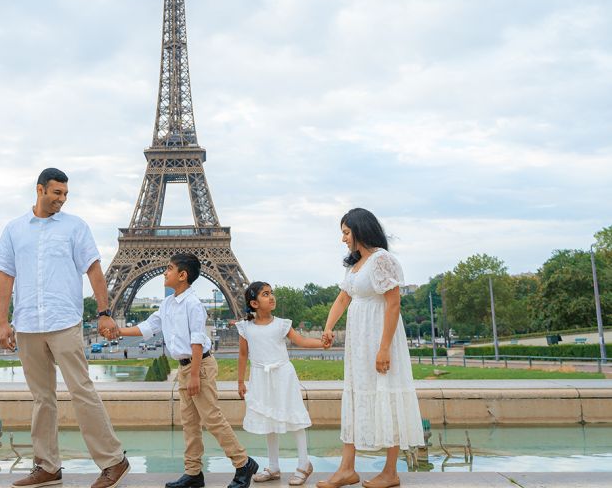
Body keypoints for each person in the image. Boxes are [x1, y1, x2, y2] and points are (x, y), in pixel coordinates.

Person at [0, 168, 130, 488]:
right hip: (28, 323)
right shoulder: (13, 230)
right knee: (42, 398)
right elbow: (5, 278)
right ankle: (47, 465)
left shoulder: (75, 226)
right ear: (40, 190)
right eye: (57, 193)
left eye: (66, 194)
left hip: (64, 320)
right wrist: (2, 322)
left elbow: (94, 270)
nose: (62, 199)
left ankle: (113, 459)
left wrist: (104, 312)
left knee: (82, 391)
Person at [113, 253, 259, 488]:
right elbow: (149, 327)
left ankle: (243, 463)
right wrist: (118, 332)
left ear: (183, 275)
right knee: (189, 422)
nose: (164, 272)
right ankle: (193, 472)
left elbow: (198, 340)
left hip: (198, 366)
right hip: (185, 368)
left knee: (211, 418)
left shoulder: (193, 304)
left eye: (169, 269)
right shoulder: (168, 303)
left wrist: (194, 375)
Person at [317, 209, 424, 488]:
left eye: (346, 232)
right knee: (355, 394)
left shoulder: (381, 260)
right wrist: (328, 327)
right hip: (359, 341)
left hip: (379, 336)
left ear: (360, 231)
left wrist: (384, 348)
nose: (343, 239)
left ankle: (390, 472)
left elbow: (393, 304)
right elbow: (343, 298)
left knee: (386, 394)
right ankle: (346, 469)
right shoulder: (355, 264)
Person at [236, 281, 326, 486]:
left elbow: (301, 341)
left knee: (295, 417)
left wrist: (323, 344)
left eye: (271, 293)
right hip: (260, 377)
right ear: (254, 303)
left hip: (283, 375)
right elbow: (242, 355)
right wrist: (240, 381)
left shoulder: (282, 324)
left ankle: (304, 463)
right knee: (269, 420)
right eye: (265, 294)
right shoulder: (245, 327)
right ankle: (274, 466)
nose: (272, 296)